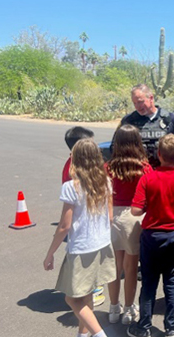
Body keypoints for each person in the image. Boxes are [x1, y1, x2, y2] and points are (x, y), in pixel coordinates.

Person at [119, 83, 174, 276]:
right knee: (143, 219)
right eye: (135, 102)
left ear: (151, 98)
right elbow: (117, 144)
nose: (139, 106)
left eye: (141, 101)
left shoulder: (169, 119)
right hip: (142, 178)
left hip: (169, 176)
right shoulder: (129, 120)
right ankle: (140, 260)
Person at [127, 134, 174, 337]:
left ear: (158, 154)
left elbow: (135, 211)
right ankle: (172, 324)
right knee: (172, 280)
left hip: (152, 235)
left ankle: (143, 326)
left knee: (149, 281)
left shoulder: (147, 179)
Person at [44, 139, 116, 337]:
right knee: (87, 295)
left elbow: (64, 226)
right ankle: (83, 334)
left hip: (81, 249)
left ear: (75, 159)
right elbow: (110, 217)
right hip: (102, 245)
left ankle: (99, 334)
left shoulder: (70, 187)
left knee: (72, 299)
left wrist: (50, 253)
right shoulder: (106, 182)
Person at [105, 125, 153, 325]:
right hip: (134, 217)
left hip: (113, 216)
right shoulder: (144, 168)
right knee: (131, 267)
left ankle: (113, 308)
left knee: (115, 266)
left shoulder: (108, 167)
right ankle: (128, 308)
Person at [61, 126, 105, 307]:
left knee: (92, 262)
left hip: (92, 225)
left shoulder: (81, 166)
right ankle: (89, 293)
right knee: (84, 264)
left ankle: (92, 289)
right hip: (83, 227)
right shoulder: (71, 170)